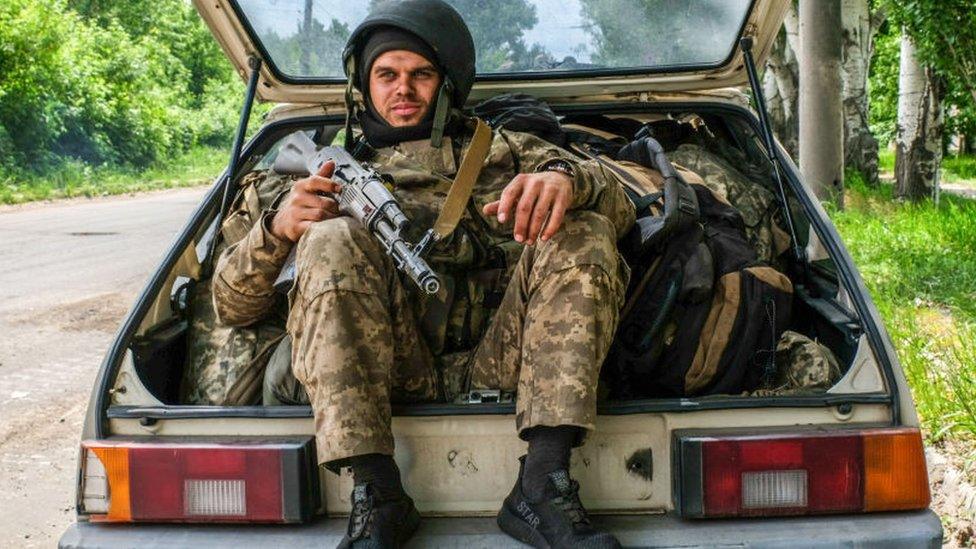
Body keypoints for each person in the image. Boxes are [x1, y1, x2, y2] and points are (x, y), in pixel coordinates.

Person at [212, 1, 634, 547]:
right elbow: (232, 306)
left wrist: (567, 180)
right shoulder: (314, 176)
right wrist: (278, 230)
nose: (403, 90)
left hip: (505, 359)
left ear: (448, 84)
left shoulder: (507, 151)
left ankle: (542, 486)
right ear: (364, 84)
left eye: (421, 75)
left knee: (585, 230)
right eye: (386, 74)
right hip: (390, 366)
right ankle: (377, 493)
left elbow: (623, 207)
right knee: (332, 237)